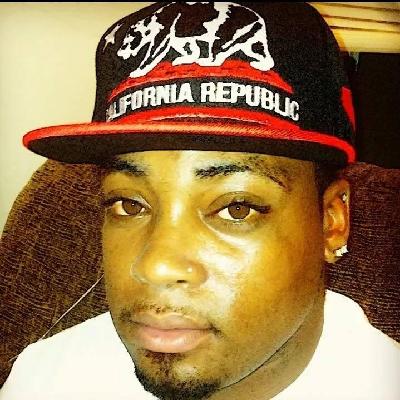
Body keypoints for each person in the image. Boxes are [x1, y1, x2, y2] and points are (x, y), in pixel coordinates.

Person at [0, 2, 399, 400]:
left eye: (236, 208)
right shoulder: (46, 376)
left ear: (331, 221)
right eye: (129, 204)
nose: (156, 266)